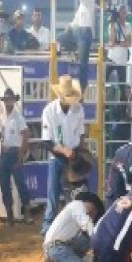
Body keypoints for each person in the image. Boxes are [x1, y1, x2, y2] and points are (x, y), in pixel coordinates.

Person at [40, 75, 86, 235]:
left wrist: (81, 153)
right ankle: (47, 229)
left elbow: (80, 136)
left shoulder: (78, 110)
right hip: (57, 157)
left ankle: (71, 230)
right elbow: (47, 142)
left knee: (73, 195)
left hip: (73, 157)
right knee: (53, 195)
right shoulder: (49, 111)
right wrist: (64, 150)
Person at [42, 191, 104, 262]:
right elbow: (88, 225)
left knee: (86, 239)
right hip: (57, 248)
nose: (94, 216)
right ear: (92, 205)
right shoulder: (78, 206)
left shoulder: (74, 207)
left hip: (61, 246)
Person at [0, 88, 32, 225]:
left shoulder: (18, 117)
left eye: (10, 100)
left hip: (14, 152)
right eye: (7, 100)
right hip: (5, 152)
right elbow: (1, 136)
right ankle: (10, 215)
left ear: (13, 101)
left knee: (20, 183)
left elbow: (26, 135)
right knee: (4, 184)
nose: (8, 103)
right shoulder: (3, 117)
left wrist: (21, 155)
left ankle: (25, 212)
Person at [65, 0, 96, 94]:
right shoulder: (82, 5)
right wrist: (70, 25)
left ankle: (82, 88)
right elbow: (76, 20)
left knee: (83, 64)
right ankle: (73, 52)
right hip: (78, 32)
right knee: (60, 39)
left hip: (85, 34)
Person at [107, 5, 132, 115]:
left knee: (122, 86)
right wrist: (112, 24)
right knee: (105, 82)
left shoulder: (128, 26)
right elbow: (112, 41)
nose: (123, 15)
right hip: (111, 58)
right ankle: (104, 106)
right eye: (122, 12)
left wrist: (118, 44)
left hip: (122, 60)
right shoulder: (112, 25)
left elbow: (128, 43)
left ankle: (123, 111)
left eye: (125, 13)